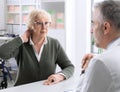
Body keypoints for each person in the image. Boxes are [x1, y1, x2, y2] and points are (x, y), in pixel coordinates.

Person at [0, 9, 74, 86]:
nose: (44, 27)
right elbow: (2, 53)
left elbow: (69, 67)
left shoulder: (54, 43)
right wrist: (21, 38)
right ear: (31, 26)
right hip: (23, 90)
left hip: (46, 89)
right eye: (39, 23)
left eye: (46, 23)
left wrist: (60, 76)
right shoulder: (21, 44)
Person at [76, 1, 120, 92]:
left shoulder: (100, 62)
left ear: (105, 28)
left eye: (94, 23)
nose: (91, 30)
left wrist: (85, 71)